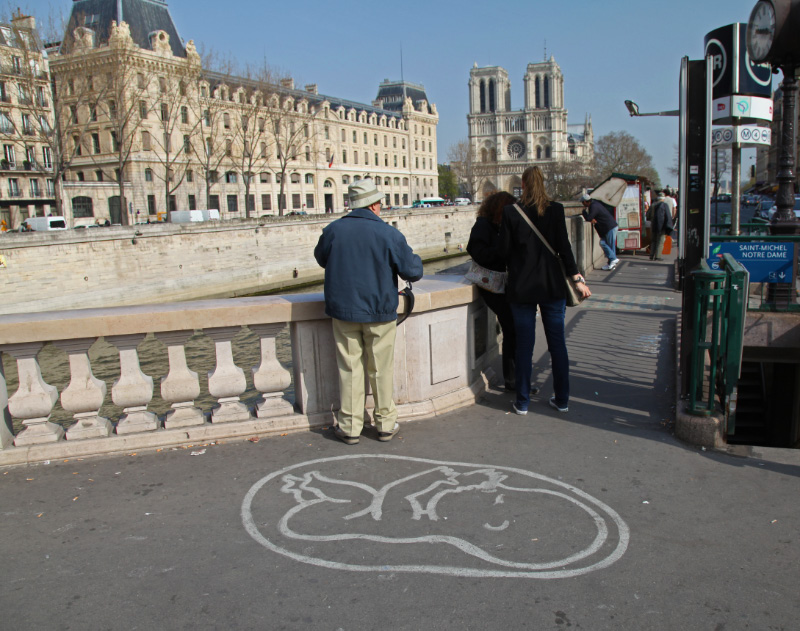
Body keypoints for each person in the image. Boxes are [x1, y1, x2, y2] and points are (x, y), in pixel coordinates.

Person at [314, 180, 423, 445]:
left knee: (349, 368)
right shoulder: (389, 234)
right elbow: (413, 271)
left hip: (344, 310)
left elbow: (321, 258)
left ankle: (350, 426)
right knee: (381, 369)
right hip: (380, 311)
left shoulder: (333, 230)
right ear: (374, 205)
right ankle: (385, 424)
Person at [501, 167, 591, 415]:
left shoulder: (511, 212)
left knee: (524, 345)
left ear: (524, 184)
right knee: (557, 344)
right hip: (552, 286)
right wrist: (577, 279)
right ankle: (561, 399)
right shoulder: (556, 210)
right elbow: (565, 248)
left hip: (522, 288)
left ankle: (522, 402)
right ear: (543, 183)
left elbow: (503, 252)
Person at [467, 191, 519, 390]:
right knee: (511, 328)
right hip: (491, 286)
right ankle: (512, 380)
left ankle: (514, 379)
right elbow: (477, 252)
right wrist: (503, 250)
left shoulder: (498, 226)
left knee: (512, 330)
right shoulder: (483, 225)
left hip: (502, 285)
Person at [580, 193, 619, 270]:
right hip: (609, 227)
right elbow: (591, 218)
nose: (582, 204)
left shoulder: (593, 206)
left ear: (585, 201)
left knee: (609, 245)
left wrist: (584, 213)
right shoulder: (595, 204)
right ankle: (611, 262)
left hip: (609, 227)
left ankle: (612, 260)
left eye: (583, 202)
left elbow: (589, 217)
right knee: (604, 244)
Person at [648, 190, 674, 261]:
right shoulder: (665, 205)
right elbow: (668, 216)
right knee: (660, 241)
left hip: (653, 225)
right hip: (661, 226)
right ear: (663, 198)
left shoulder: (652, 205)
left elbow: (648, 215)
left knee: (653, 241)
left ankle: (651, 255)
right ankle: (658, 256)